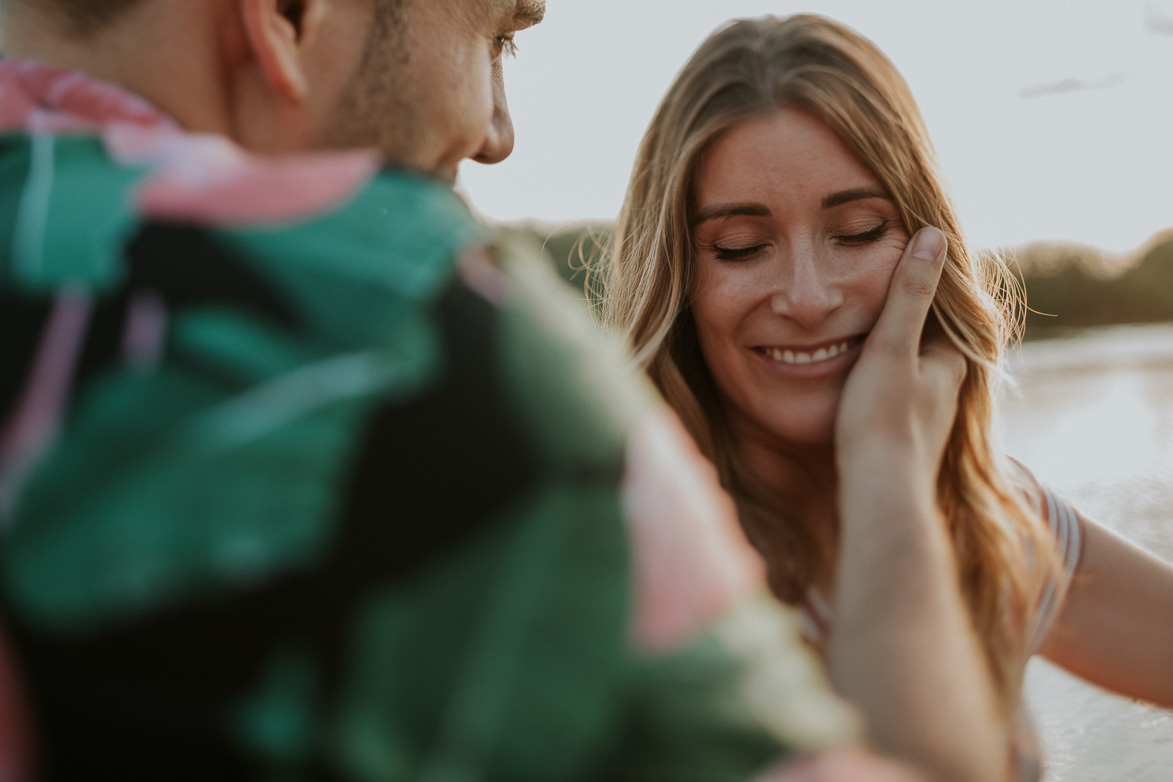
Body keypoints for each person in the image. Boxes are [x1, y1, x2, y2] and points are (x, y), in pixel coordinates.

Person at [0, 1, 955, 780]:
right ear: (287, 16)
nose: (497, 132)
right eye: (494, 35)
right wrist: (887, 462)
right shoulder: (405, 335)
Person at [595, 13, 1173, 782]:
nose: (806, 296)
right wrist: (883, 459)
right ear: (679, 280)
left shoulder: (988, 523)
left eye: (859, 231)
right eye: (740, 246)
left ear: (927, 250)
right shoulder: (628, 567)